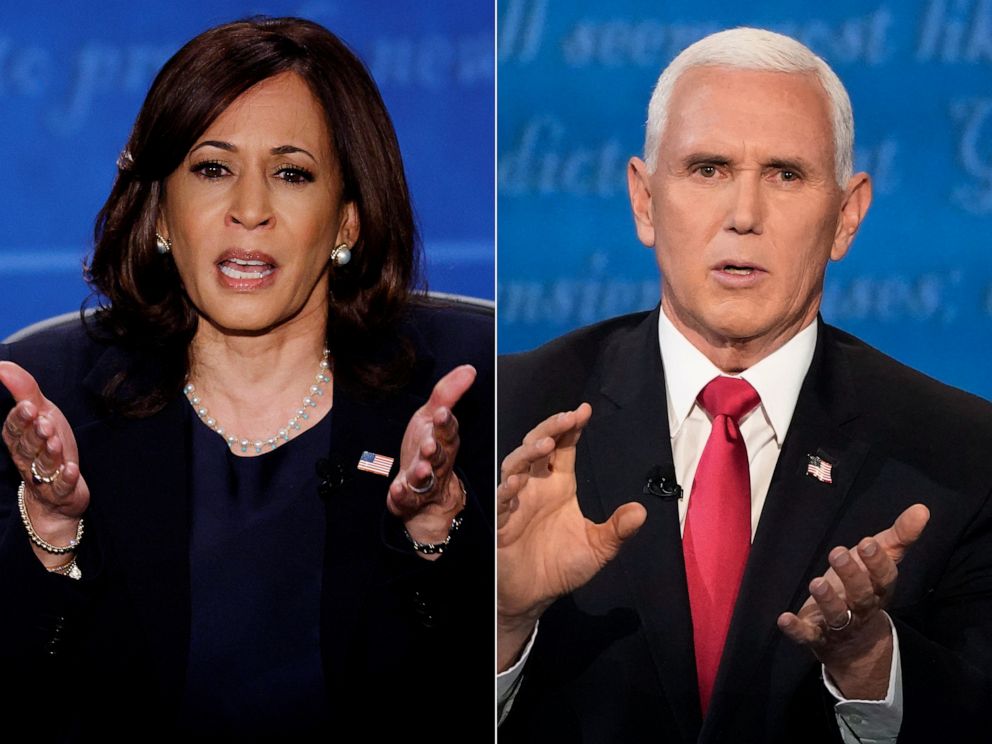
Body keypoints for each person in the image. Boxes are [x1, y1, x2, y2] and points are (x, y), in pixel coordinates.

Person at [0, 17, 492, 739]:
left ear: (347, 223)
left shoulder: (462, 392)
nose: (250, 211)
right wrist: (51, 534)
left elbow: (499, 696)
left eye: (291, 174)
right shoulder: (49, 397)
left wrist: (432, 533)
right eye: (212, 169)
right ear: (161, 211)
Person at [497, 27, 992, 743]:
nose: (744, 216)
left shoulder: (960, 457)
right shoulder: (513, 415)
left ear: (846, 217)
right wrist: (503, 622)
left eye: (786, 174)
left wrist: (869, 665)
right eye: (708, 169)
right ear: (643, 200)